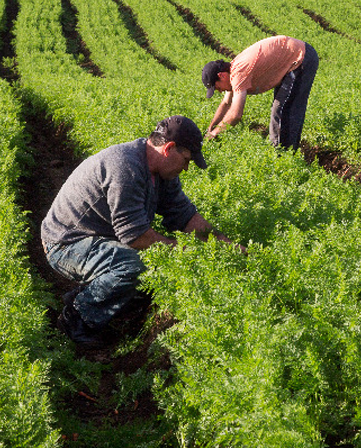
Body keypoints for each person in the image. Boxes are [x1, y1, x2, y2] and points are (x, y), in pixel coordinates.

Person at [41, 115, 239, 347]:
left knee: (147, 272)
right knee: (135, 265)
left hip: (98, 237)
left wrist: (227, 245)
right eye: (186, 160)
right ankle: (77, 318)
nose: (186, 168)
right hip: (65, 243)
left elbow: (185, 216)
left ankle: (90, 296)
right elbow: (134, 236)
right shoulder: (125, 166)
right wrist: (182, 250)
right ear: (169, 148)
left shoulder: (162, 174)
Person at [201, 35, 319, 150]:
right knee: (283, 108)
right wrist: (211, 127)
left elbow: (235, 115)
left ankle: (282, 155)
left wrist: (216, 133)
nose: (220, 91)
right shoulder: (232, 71)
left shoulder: (238, 73)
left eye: (217, 87)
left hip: (301, 58)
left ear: (221, 75)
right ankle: (286, 151)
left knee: (282, 109)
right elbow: (226, 103)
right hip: (294, 56)